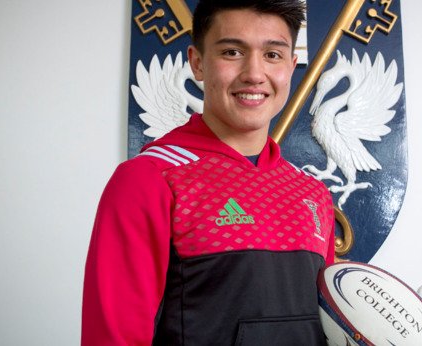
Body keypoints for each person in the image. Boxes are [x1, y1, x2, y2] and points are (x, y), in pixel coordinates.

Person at [82, 0, 335, 344]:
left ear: (291, 66)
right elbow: (113, 336)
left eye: (273, 55)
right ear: (198, 63)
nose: (255, 73)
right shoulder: (149, 179)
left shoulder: (312, 193)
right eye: (232, 52)